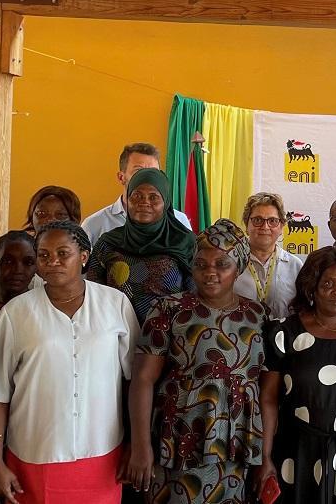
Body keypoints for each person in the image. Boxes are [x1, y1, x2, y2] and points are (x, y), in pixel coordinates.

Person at [0, 220, 139, 504]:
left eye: (63, 253)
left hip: (103, 453)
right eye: (43, 255)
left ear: (84, 256)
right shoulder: (16, 313)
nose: (52, 261)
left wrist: (136, 442)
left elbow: (133, 381)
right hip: (33, 453)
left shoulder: (115, 304)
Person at [126, 219, 266, 504]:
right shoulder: (169, 308)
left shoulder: (258, 315)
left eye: (222, 264)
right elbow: (143, 379)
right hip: (179, 437)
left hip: (235, 441)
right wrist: (140, 446)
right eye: (200, 264)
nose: (209, 272)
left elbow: (263, 386)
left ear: (238, 268)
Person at [260, 246, 336, 504]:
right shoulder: (284, 333)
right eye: (327, 283)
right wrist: (265, 455)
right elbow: (269, 400)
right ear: (311, 287)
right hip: (297, 451)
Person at [89, 167, 196, 322]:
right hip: (116, 330)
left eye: (153, 197)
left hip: (170, 332)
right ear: (127, 199)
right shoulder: (108, 243)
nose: (144, 202)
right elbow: (93, 294)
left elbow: (196, 296)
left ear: (165, 203)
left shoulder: (184, 242)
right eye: (137, 196)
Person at [82, 142, 192, 246]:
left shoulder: (179, 221)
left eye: (153, 172)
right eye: (138, 171)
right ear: (121, 177)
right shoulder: (94, 225)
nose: (147, 178)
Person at [235, 192, 303, 320]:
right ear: (246, 225)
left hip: (284, 332)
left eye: (272, 221)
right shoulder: (231, 262)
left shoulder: (295, 265)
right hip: (237, 332)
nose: (265, 227)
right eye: (257, 220)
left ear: (281, 227)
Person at [0, 230, 37, 311]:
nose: (18, 270)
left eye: (28, 263)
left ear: (36, 268)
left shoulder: (40, 309)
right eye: (8, 261)